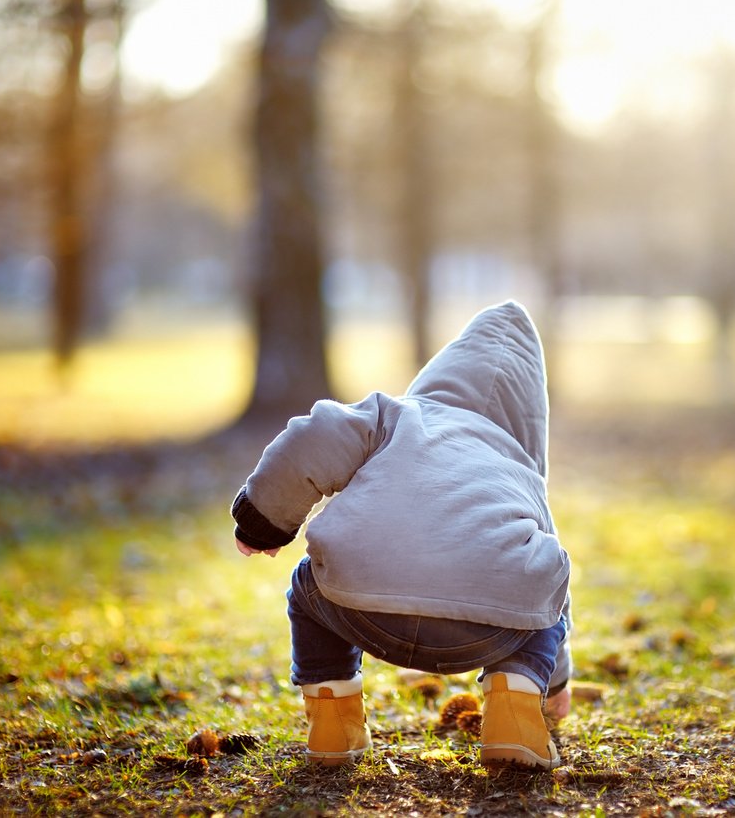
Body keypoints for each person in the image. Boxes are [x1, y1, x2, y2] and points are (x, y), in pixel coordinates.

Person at [230, 301, 573, 771]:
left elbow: (317, 437)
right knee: (543, 580)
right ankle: (516, 711)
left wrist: (263, 521)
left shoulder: (394, 416)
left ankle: (334, 725)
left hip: (359, 609)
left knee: (308, 588)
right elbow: (552, 602)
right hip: (489, 629)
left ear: (438, 377)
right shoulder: (520, 467)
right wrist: (554, 682)